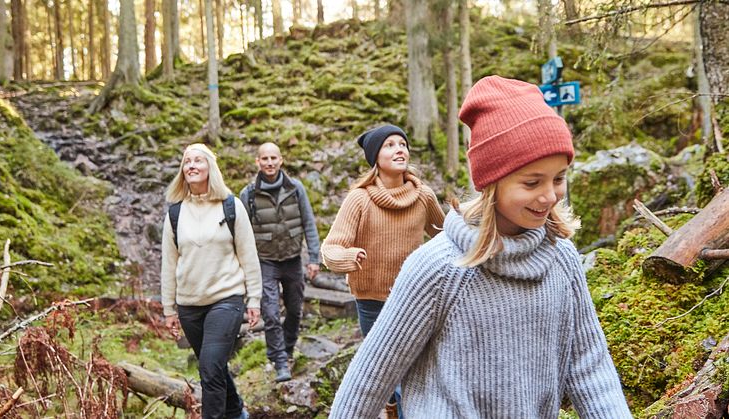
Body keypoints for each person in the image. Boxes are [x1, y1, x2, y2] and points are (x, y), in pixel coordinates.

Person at [328, 76, 632, 418]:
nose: (549, 195)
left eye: (559, 178)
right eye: (532, 182)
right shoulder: (439, 269)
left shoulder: (561, 259)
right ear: (491, 182)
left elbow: (589, 365)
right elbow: (370, 377)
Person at [321, 124, 445, 419]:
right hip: (371, 301)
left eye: (402, 144)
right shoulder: (360, 199)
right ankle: (391, 408)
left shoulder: (423, 196)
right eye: (389, 145)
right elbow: (330, 248)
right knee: (386, 374)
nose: (399, 149)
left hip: (413, 299)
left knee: (411, 375)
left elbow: (446, 236)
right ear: (376, 157)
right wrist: (347, 257)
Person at [161, 143, 262, 419]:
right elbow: (169, 264)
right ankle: (237, 411)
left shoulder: (231, 206)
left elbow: (249, 256)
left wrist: (254, 299)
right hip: (190, 305)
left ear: (210, 168)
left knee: (208, 366)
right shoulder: (175, 214)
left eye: (198, 161)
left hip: (226, 298)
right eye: (187, 162)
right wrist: (169, 309)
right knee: (214, 367)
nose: (191, 165)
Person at [240, 142, 321, 383]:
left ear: (281, 160)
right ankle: (279, 361)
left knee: (295, 310)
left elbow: (308, 223)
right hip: (265, 262)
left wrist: (314, 258)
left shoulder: (296, 189)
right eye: (264, 158)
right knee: (271, 314)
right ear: (258, 162)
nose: (269, 163)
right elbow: (241, 233)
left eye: (273, 158)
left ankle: (287, 349)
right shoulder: (248, 194)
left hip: (293, 259)